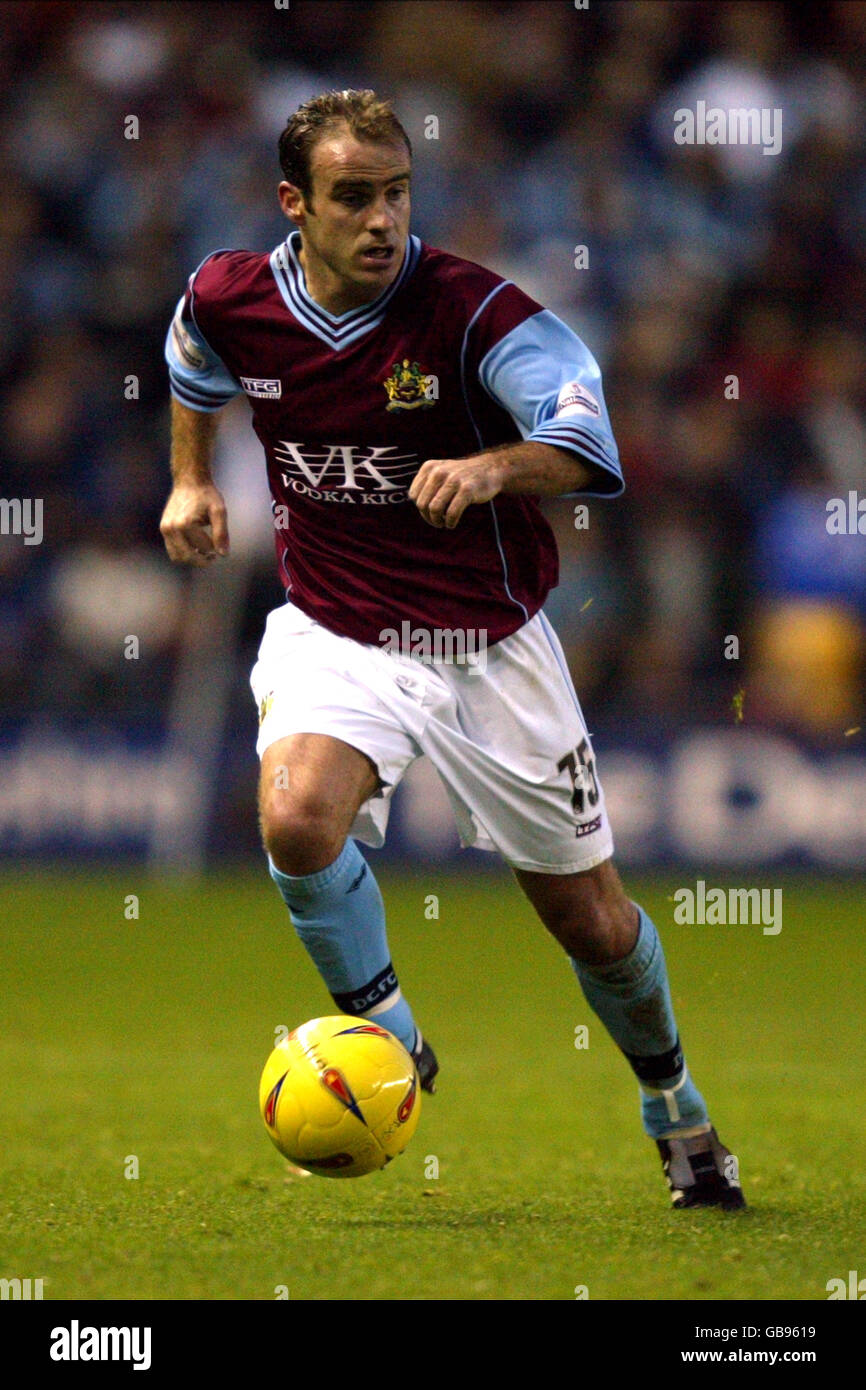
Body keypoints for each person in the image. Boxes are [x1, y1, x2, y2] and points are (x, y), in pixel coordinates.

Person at [160, 89, 744, 1209]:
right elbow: (190, 357)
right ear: (294, 204)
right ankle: (391, 1040)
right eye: (351, 198)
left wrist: (493, 466)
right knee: (291, 818)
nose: (380, 220)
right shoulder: (234, 296)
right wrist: (190, 477)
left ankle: (671, 1103)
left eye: (395, 194)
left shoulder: (475, 314)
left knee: (591, 921)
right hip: (336, 628)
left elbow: (583, 435)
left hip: (488, 645)